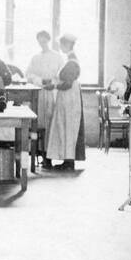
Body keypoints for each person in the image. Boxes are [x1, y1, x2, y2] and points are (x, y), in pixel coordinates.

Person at [45, 33, 84, 170]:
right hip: (66, 97)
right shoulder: (69, 60)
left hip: (69, 98)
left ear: (67, 45)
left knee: (68, 126)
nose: (61, 47)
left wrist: (54, 86)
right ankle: (67, 159)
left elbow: (67, 83)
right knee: (64, 126)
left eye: (62, 44)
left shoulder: (72, 61)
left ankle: (69, 160)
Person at [26, 30, 65, 154]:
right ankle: (40, 151)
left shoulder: (57, 57)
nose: (42, 43)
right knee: (39, 122)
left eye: (44, 40)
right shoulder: (35, 58)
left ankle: (51, 152)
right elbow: (29, 74)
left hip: (53, 93)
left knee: (52, 122)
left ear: (48, 40)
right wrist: (40, 80)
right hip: (40, 93)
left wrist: (52, 81)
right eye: (40, 41)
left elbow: (62, 75)